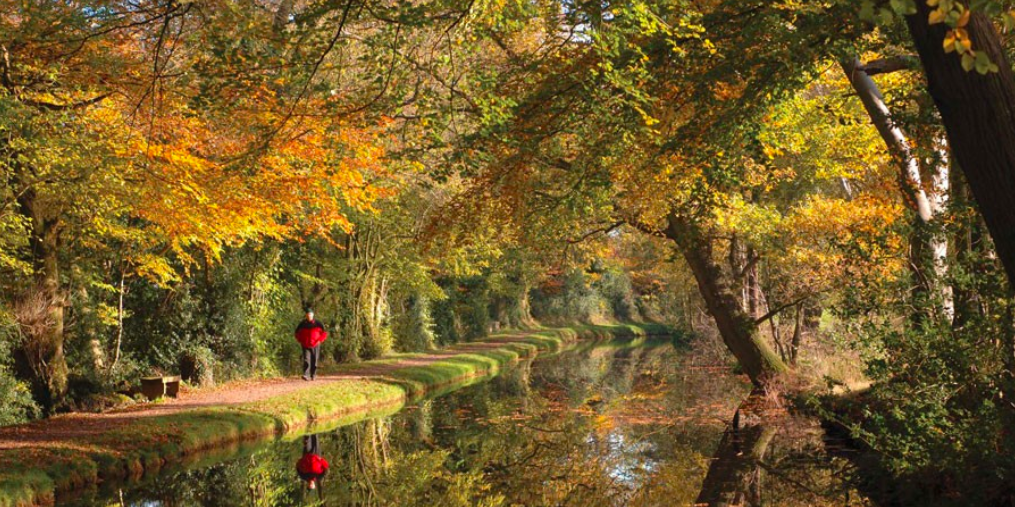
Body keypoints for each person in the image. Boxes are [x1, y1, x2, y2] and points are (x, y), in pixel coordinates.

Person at [295, 307, 327, 381]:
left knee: (314, 360)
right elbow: (296, 333)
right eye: (307, 314)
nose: (309, 316)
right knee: (306, 360)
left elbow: (324, 333)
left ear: (313, 315)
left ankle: (313, 374)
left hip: (316, 344)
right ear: (306, 315)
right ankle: (306, 375)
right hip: (305, 344)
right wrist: (300, 340)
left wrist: (320, 340)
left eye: (310, 314)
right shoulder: (302, 324)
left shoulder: (318, 323)